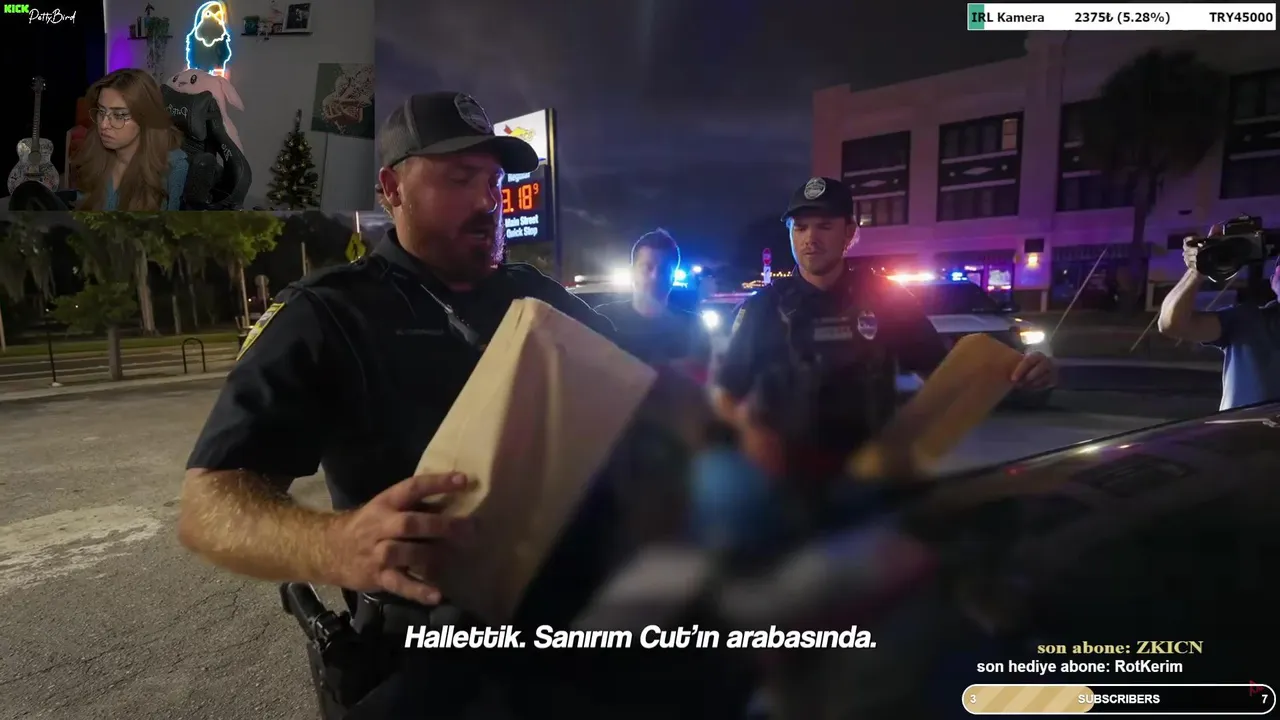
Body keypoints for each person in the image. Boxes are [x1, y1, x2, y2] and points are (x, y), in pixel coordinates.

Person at [177, 92, 622, 715]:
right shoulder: (330, 312)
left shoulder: (536, 296)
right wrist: (336, 544)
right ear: (392, 188)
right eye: (460, 178)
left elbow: (636, 392)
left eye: (494, 181)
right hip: (428, 655)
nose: (487, 200)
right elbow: (208, 505)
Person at [713, 176, 1056, 456]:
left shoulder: (886, 300)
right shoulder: (763, 307)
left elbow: (948, 380)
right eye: (799, 227)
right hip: (790, 483)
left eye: (824, 226)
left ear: (849, 232)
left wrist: (1020, 373)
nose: (810, 239)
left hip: (871, 476)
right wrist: (753, 439)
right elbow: (727, 394)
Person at [1157, 224, 1280, 410]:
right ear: (1273, 282)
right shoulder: (1248, 321)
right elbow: (1172, 324)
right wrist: (1198, 269)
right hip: (1240, 430)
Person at [593, 229, 711, 370]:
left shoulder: (694, 328)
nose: (655, 277)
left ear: (673, 277)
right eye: (647, 267)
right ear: (632, 272)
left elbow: (701, 377)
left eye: (663, 270)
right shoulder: (602, 319)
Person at [73, 68, 188, 210]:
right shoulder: (93, 148)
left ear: (145, 117)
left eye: (119, 115)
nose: (103, 125)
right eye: (101, 112)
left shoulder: (174, 167)